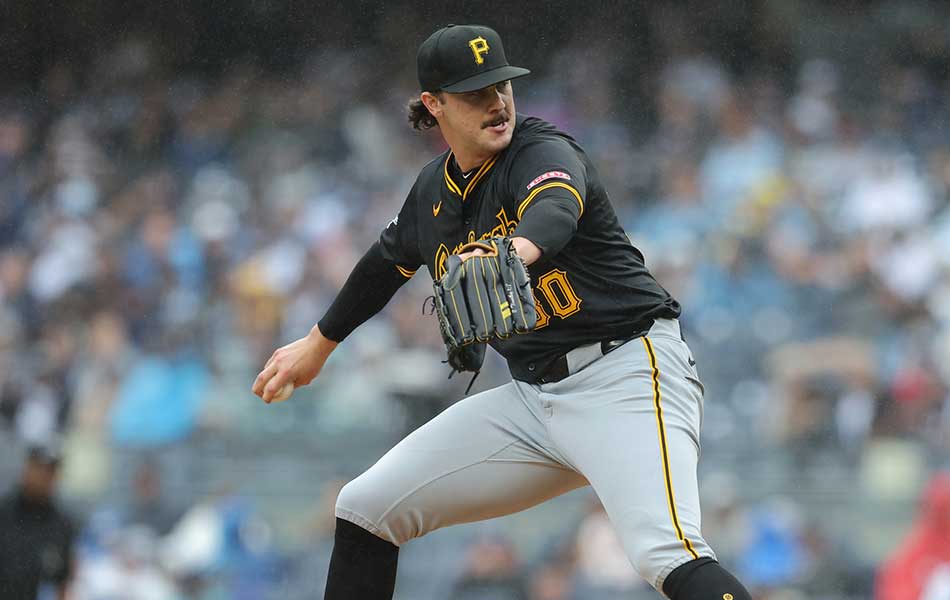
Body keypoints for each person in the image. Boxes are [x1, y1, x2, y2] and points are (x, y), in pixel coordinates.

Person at [252, 24, 752, 600]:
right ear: (434, 105)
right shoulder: (432, 193)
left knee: (667, 554)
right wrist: (319, 343)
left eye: (502, 86)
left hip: (628, 376)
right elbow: (386, 261)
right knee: (365, 508)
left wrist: (513, 249)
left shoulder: (540, 150)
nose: (496, 103)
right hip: (535, 402)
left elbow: (558, 209)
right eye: (474, 93)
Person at [0, 442, 77, 600]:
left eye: (50, 471)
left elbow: (62, 583)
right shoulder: (3, 512)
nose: (44, 477)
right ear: (27, 469)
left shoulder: (62, 525)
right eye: (39, 468)